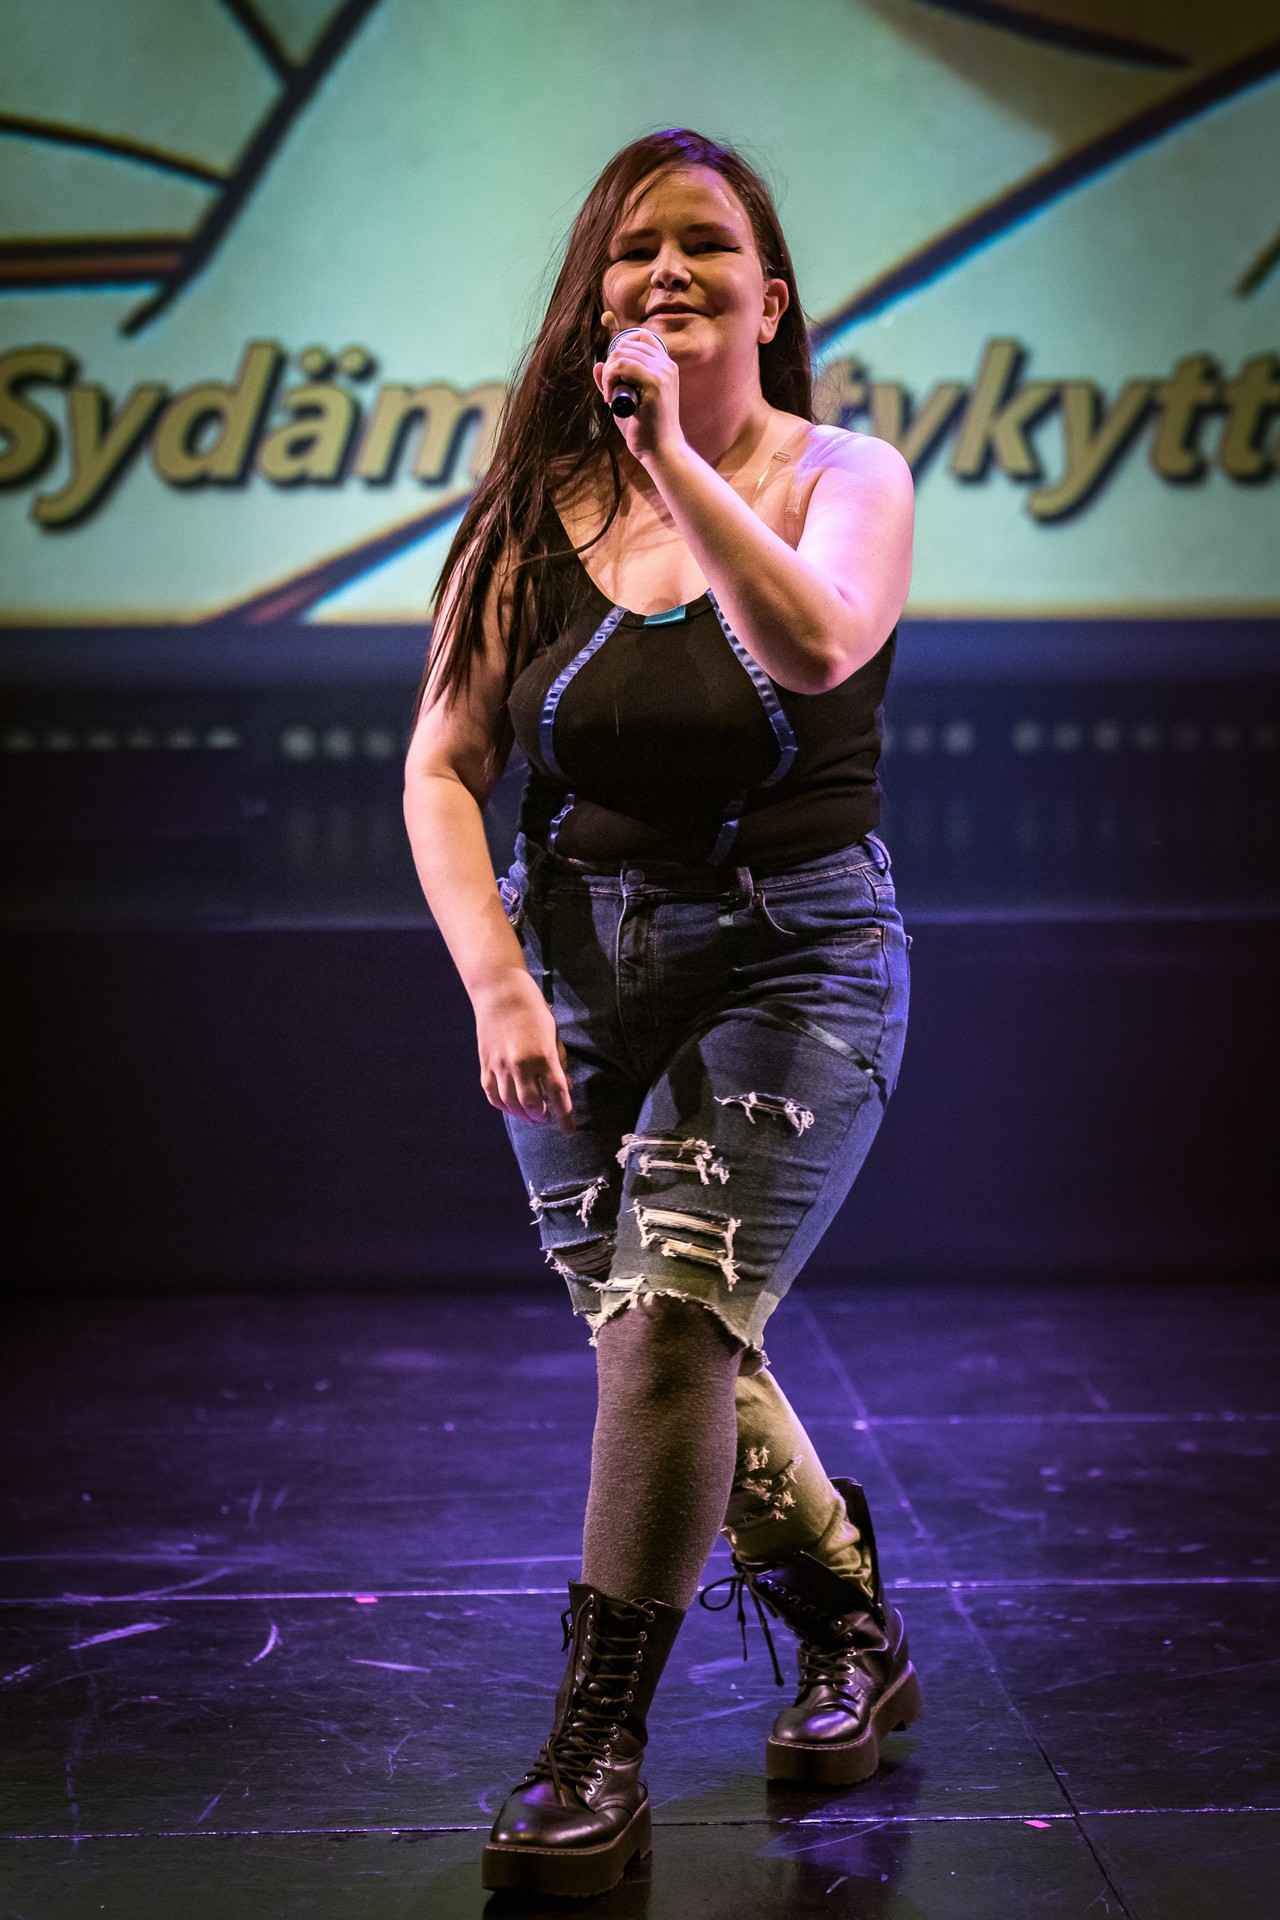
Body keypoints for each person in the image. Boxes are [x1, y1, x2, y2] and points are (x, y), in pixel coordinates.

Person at [403, 128, 919, 1900]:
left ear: (770, 300)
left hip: (795, 958)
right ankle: (853, 1627)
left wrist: (679, 459)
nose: (668, 268)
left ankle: (594, 1745)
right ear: (596, 296)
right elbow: (444, 765)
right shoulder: (526, 511)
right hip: (574, 976)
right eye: (635, 248)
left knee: (678, 1327)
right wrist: (496, 977)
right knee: (658, 1338)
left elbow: (818, 644)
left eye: (706, 242)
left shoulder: (846, 475)